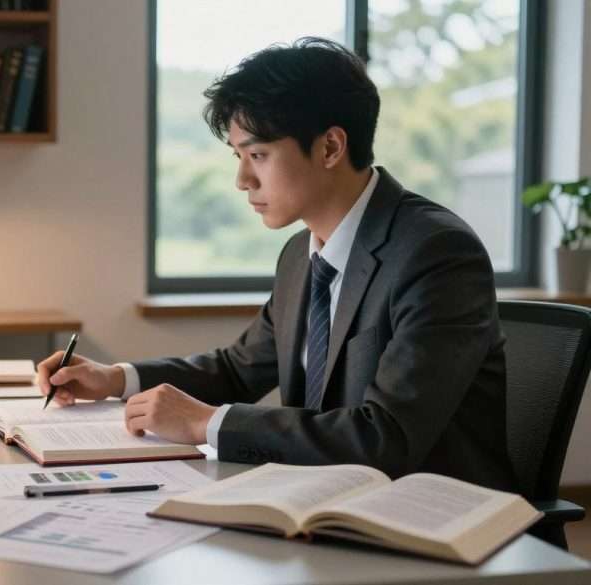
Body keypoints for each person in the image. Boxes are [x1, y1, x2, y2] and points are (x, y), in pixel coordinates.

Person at [37, 37, 517, 492]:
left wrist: (206, 422)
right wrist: (114, 379)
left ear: (330, 148)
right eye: (238, 156)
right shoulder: (300, 254)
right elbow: (238, 371)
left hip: (433, 520)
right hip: (321, 499)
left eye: (258, 155)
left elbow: (385, 437)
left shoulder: (437, 253)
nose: (242, 179)